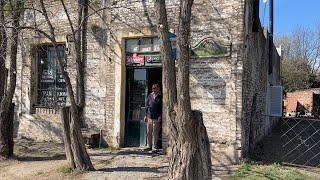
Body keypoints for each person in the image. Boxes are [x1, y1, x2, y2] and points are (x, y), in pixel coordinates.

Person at [144, 83, 162, 152]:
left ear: (158, 89)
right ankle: (149, 146)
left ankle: (154, 147)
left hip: (156, 117)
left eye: (155, 88)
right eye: (152, 88)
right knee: (148, 132)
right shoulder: (150, 96)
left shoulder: (160, 97)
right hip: (149, 117)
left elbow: (161, 107)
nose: (153, 90)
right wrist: (145, 115)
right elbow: (147, 106)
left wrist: (160, 116)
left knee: (155, 133)